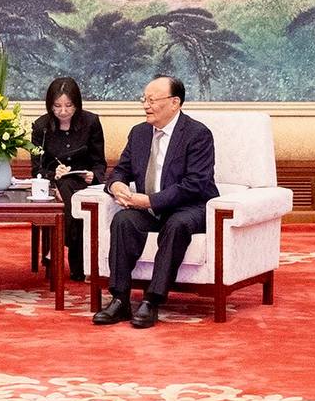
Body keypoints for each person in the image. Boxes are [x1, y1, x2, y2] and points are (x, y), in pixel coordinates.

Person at [95, 75, 219, 330]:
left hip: (190, 206)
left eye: (152, 100)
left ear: (175, 103)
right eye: (144, 99)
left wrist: (150, 200)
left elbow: (195, 184)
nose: (146, 105)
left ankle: (152, 300)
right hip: (149, 207)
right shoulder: (139, 133)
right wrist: (116, 185)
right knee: (123, 220)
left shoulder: (198, 134)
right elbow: (121, 171)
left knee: (176, 224)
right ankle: (120, 299)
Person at [29, 76, 106, 283]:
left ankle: (56, 246)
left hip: (84, 184)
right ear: (49, 105)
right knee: (65, 189)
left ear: (77, 104)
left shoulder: (91, 122)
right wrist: (53, 174)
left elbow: (99, 163)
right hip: (55, 185)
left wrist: (93, 176)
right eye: (57, 106)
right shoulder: (41, 127)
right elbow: (37, 169)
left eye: (69, 106)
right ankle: (77, 265)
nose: (63, 111)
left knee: (70, 194)